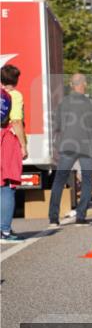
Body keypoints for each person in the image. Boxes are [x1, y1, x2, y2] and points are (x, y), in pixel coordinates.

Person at [48, 74, 92, 228]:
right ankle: (80, 217)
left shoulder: (63, 103)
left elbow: (57, 125)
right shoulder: (91, 103)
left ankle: (53, 218)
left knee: (59, 180)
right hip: (87, 146)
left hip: (68, 145)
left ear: (72, 85)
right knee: (87, 181)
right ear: (83, 84)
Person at [1, 88, 25, 242]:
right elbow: (16, 121)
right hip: (6, 141)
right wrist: (23, 145)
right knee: (7, 187)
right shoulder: (13, 95)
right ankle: (5, 231)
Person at [1, 65, 28, 159]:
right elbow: (16, 121)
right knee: (10, 172)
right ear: (16, 80)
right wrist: (23, 146)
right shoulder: (15, 95)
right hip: (9, 138)